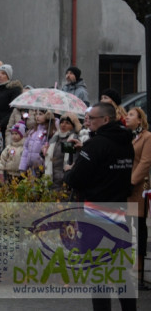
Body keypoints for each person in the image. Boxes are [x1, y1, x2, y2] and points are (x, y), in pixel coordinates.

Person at [64, 102, 136, 311]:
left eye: (91, 118)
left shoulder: (97, 144)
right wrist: (85, 150)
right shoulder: (125, 142)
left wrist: (71, 170)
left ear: (105, 119)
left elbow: (77, 179)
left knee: (99, 275)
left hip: (96, 217)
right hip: (119, 215)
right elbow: (108, 166)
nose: (88, 122)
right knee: (121, 273)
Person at [124, 107, 151, 289]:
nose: (127, 117)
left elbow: (145, 162)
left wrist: (132, 181)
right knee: (127, 225)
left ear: (140, 120)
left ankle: (140, 265)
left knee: (138, 226)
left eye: (131, 115)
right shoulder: (129, 137)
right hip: (126, 190)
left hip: (137, 188)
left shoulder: (147, 137)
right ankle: (127, 262)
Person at [43, 112, 80, 186]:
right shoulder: (55, 137)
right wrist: (43, 152)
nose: (63, 125)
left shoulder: (71, 139)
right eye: (62, 122)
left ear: (73, 126)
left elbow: (71, 160)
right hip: (50, 176)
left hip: (61, 178)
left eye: (67, 123)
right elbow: (48, 157)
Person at [18, 109, 52, 177]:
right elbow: (26, 149)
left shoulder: (49, 131)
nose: (37, 116)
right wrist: (23, 167)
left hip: (42, 168)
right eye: (36, 114)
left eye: (40, 114)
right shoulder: (33, 131)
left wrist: (51, 117)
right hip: (31, 167)